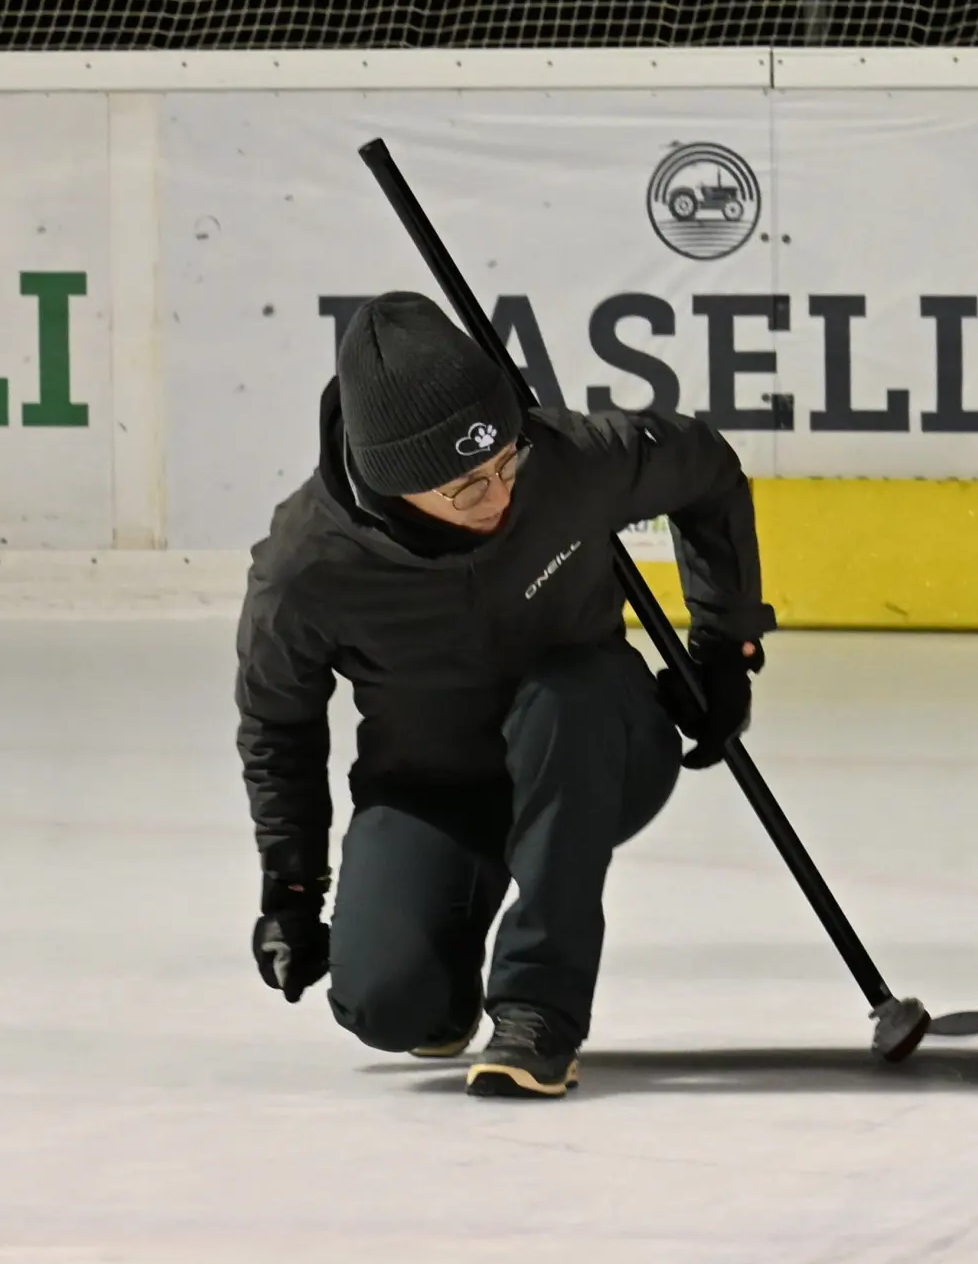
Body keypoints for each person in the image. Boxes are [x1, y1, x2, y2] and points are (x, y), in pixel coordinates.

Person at [235, 293, 772, 1098]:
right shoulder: (308, 564)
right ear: (391, 482)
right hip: (436, 787)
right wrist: (293, 884)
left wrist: (725, 648)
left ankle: (537, 1009)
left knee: (567, 693)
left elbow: (707, 471)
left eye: (503, 464)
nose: (497, 496)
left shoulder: (568, 460)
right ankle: (442, 976)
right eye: (462, 487)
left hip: (600, 750)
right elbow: (279, 724)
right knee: (389, 1007)